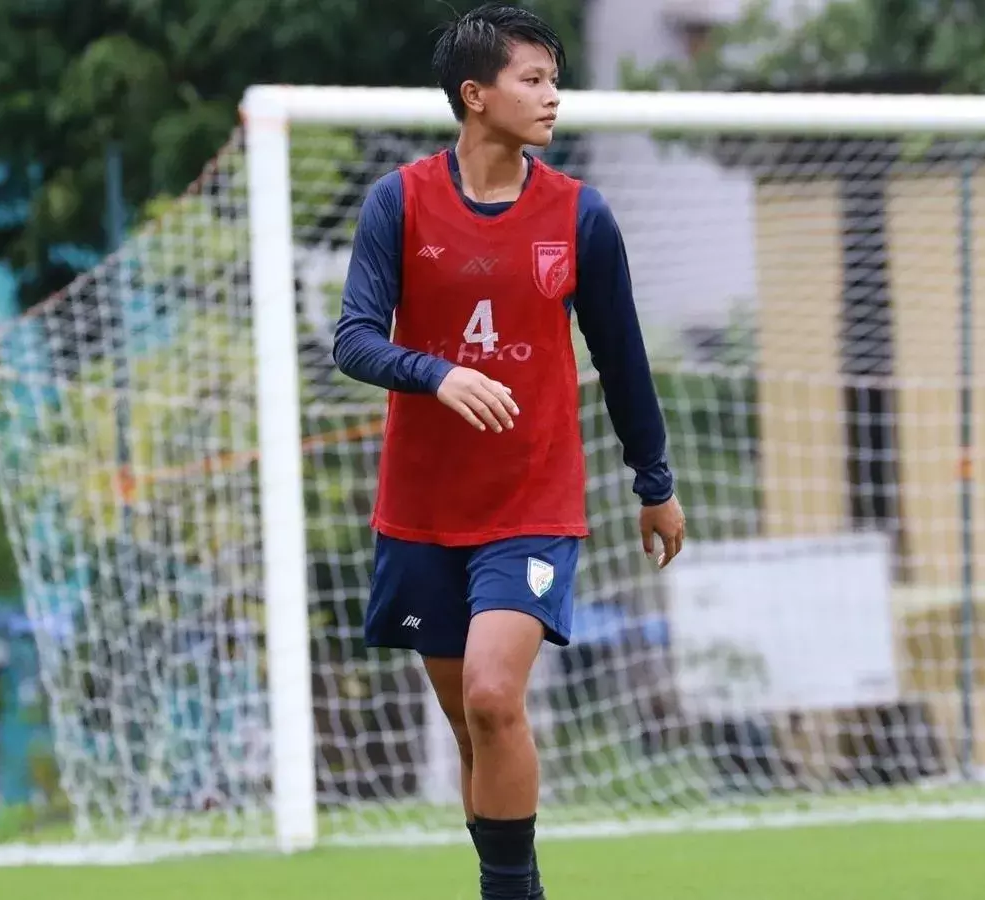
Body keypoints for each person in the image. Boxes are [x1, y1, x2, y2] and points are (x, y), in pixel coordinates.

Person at [332, 4, 685, 897]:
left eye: (554, 80)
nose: (552, 96)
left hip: (531, 504)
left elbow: (623, 358)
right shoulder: (399, 201)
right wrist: (437, 373)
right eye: (532, 79)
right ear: (475, 95)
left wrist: (654, 481)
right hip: (422, 509)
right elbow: (354, 340)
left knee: (495, 696)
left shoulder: (580, 216)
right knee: (471, 727)